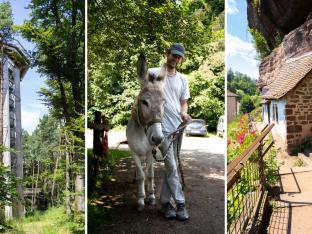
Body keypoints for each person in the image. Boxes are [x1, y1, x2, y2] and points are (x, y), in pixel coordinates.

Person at [148, 43, 191, 221]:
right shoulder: (153, 73)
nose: (176, 59)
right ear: (167, 54)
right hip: (161, 128)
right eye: (174, 55)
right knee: (172, 166)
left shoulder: (183, 79)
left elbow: (183, 102)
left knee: (169, 168)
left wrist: (184, 113)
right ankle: (180, 204)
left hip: (177, 128)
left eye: (179, 57)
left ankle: (165, 204)